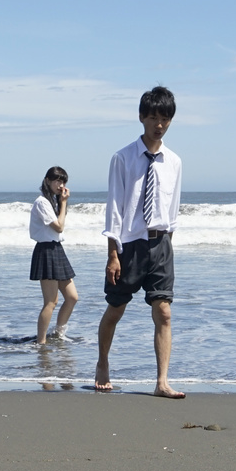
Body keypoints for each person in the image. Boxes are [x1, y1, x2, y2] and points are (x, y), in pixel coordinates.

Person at [96, 86, 185, 397]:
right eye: (152, 118)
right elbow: (115, 208)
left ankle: (162, 381)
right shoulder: (122, 158)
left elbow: (172, 211)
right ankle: (103, 362)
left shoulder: (174, 161)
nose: (158, 124)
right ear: (141, 118)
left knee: (164, 312)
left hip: (160, 244)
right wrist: (113, 254)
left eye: (164, 119)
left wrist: (167, 247)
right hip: (128, 246)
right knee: (115, 309)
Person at [29, 167, 78, 345]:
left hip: (56, 249)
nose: (61, 185)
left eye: (63, 181)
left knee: (72, 297)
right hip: (46, 250)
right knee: (51, 301)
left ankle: (58, 334)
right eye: (57, 180)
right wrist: (64, 203)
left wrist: (61, 202)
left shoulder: (52, 202)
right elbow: (58, 227)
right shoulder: (42, 202)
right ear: (47, 180)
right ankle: (41, 342)